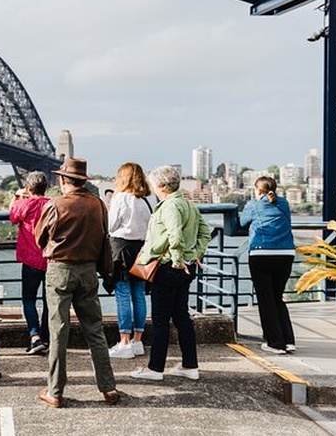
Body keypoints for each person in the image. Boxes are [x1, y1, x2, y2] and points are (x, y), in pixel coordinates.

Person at [34, 157, 121, 408]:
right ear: (83, 181)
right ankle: (108, 387)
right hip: (88, 271)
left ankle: (55, 391)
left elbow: (40, 238)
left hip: (60, 270)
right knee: (95, 330)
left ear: (63, 180)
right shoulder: (99, 205)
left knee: (58, 331)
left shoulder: (55, 205)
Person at [130, 165, 210, 382]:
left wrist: (177, 260)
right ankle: (189, 365)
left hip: (168, 268)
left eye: (153, 184)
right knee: (181, 316)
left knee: (160, 319)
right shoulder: (188, 204)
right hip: (185, 268)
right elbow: (206, 231)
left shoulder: (169, 206)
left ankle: (155, 368)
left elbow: (174, 236)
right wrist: (194, 254)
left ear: (162, 185)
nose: (152, 188)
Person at [240, 176, 297, 355]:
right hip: (286, 254)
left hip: (261, 253)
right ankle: (288, 340)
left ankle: (275, 343)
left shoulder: (253, 206)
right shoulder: (284, 203)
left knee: (266, 300)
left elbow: (241, 224)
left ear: (258, 190)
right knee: (277, 297)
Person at [106, 162, 155, 359]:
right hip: (142, 249)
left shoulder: (121, 198)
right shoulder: (148, 199)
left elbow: (110, 226)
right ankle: (137, 340)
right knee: (139, 294)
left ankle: (124, 342)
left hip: (122, 248)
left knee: (123, 294)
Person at [9, 171, 51, 355]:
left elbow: (12, 216)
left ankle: (35, 337)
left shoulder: (24, 204)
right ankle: (47, 337)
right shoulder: (52, 204)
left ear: (28, 188)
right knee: (50, 302)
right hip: (51, 260)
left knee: (28, 300)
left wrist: (17, 196)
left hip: (31, 261)